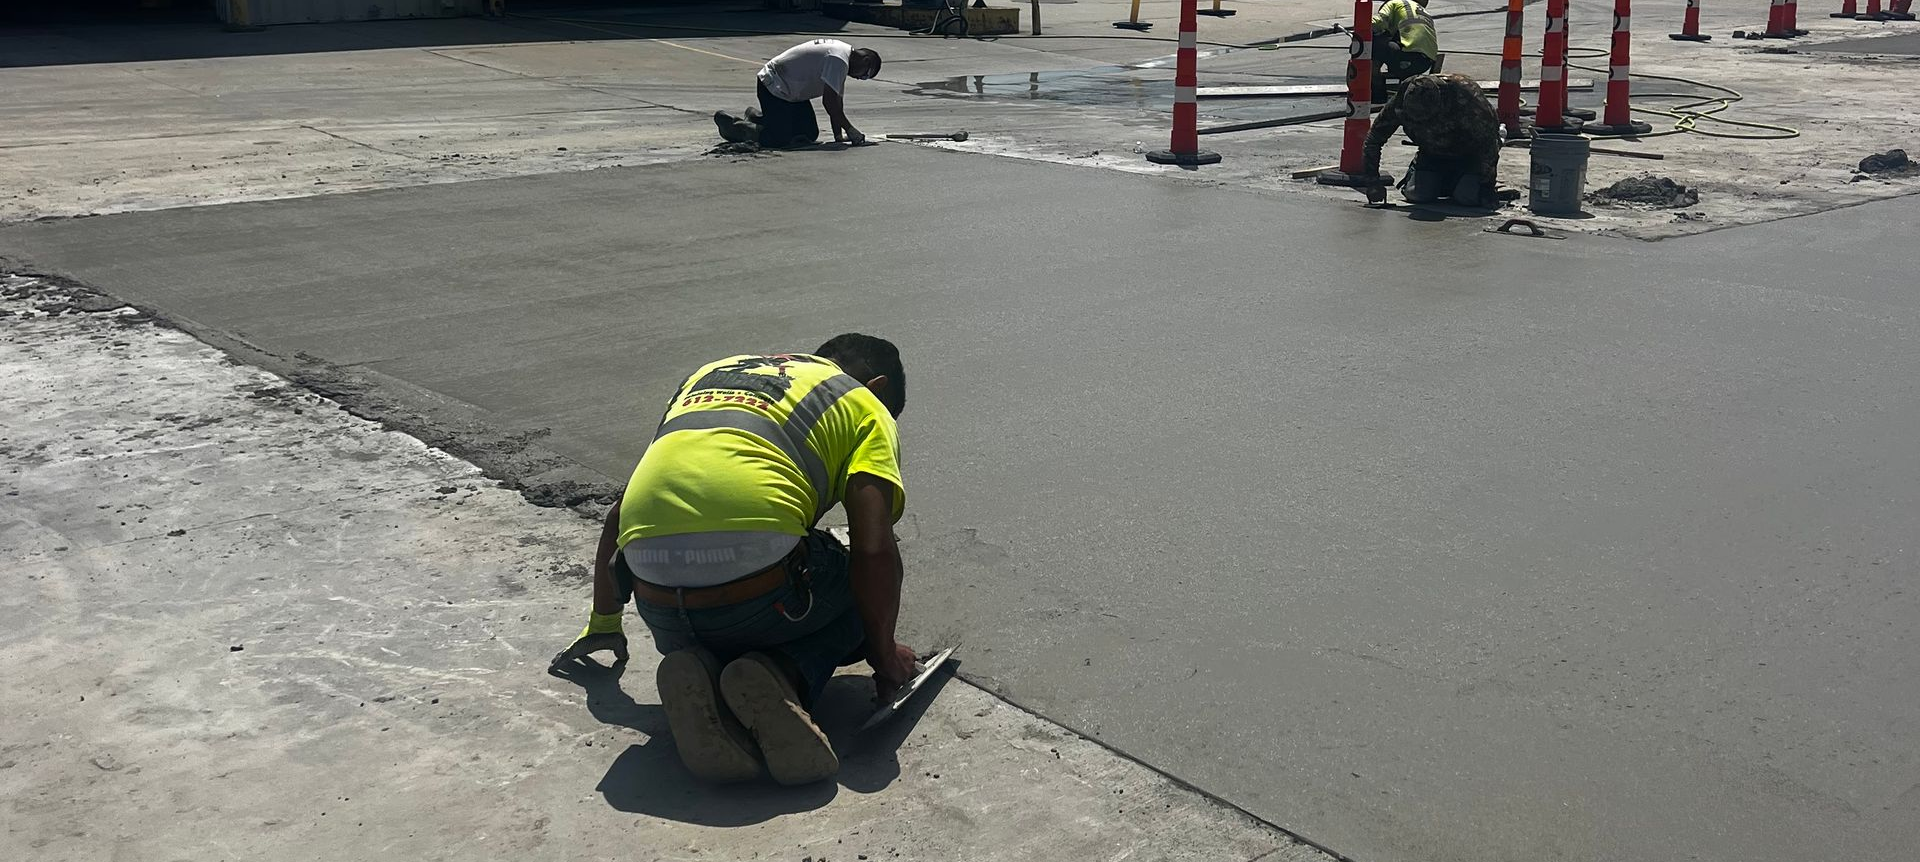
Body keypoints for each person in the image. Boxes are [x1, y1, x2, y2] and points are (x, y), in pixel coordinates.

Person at [550, 335, 917, 787]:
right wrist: (885, 656)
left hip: (659, 606)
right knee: (862, 590)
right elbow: (873, 548)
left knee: (759, 584)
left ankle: (703, 668)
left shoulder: (710, 375)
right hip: (758, 600)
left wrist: (604, 623)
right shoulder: (861, 400)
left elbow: (617, 516)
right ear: (878, 388)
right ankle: (782, 677)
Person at [1362, 73, 1502, 208]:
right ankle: (1429, 177)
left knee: (1467, 198)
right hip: (1432, 155)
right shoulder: (1401, 101)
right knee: (1417, 195)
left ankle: (1459, 184)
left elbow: (1489, 144)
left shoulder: (1465, 97)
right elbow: (1374, 139)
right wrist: (1373, 181)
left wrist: (1487, 185)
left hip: (1470, 156)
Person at [714, 40, 882, 149]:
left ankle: (757, 117)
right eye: (865, 75)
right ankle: (734, 127)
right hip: (774, 85)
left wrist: (839, 136)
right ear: (866, 60)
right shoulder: (838, 59)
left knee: (808, 134)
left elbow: (837, 104)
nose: (860, 78)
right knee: (780, 139)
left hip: (792, 93)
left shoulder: (841, 58)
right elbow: (829, 103)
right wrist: (851, 130)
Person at [1371, 0, 1439, 102]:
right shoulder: (1421, 11)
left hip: (1408, 58)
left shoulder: (1394, 3)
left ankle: (1378, 96)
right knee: (1386, 47)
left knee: (1375, 44)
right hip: (1425, 63)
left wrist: (1361, 25)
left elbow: (1378, 21)